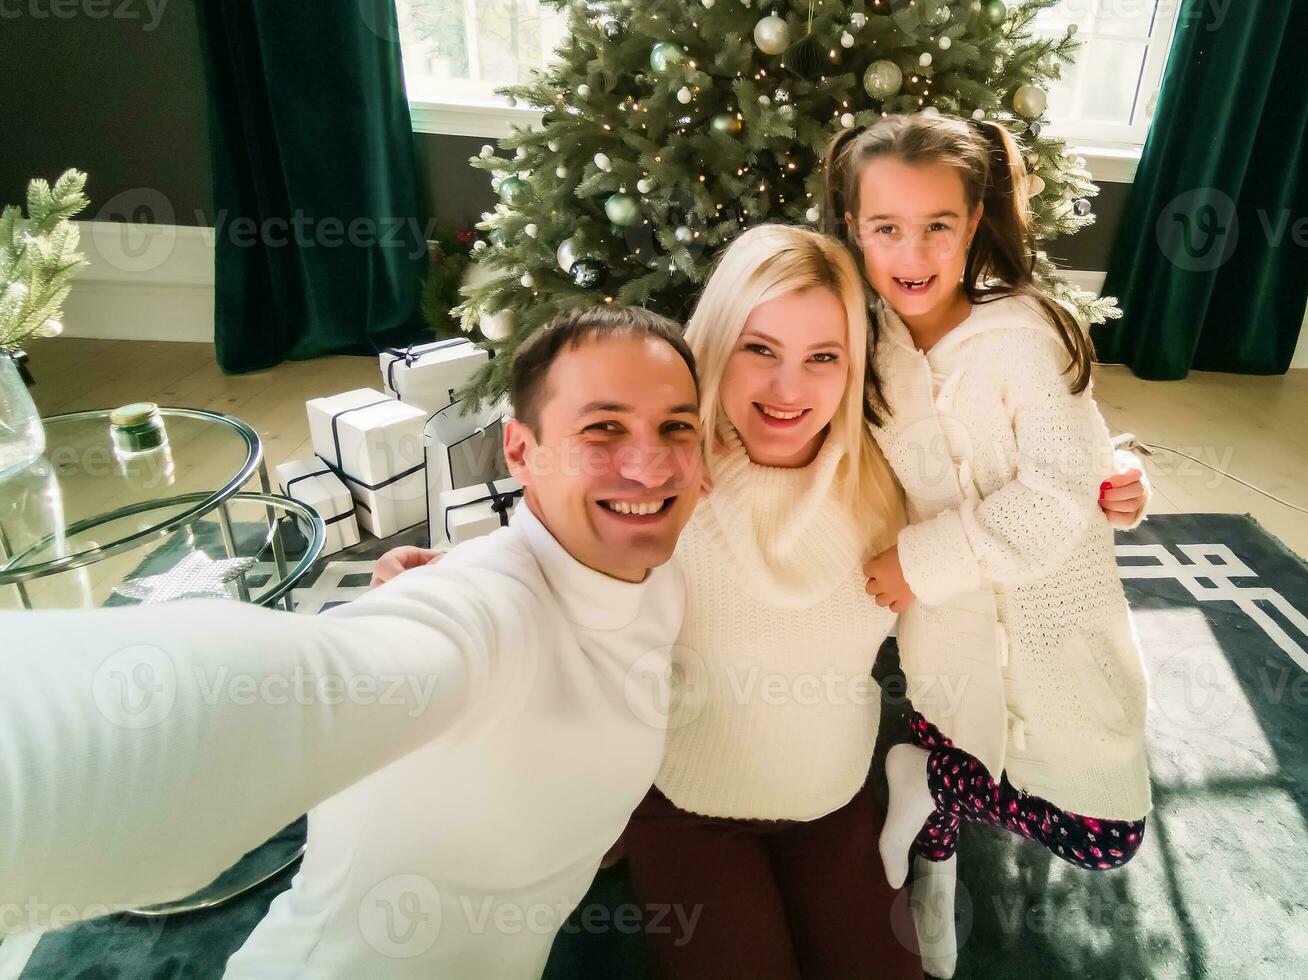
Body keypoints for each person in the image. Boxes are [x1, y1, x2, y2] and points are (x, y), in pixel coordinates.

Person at [374, 226, 1148, 980]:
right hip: (687, 803)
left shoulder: (892, 473)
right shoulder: (671, 475)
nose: (788, 390)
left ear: (855, 368)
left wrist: (1109, 476)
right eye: (760, 350)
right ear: (716, 347)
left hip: (831, 796)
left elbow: (1001, 466)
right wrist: (449, 574)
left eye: (823, 358)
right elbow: (553, 552)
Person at [0, 306, 705, 978]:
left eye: (676, 427)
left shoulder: (657, 574)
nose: (650, 465)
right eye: (603, 428)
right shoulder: (482, 613)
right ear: (520, 451)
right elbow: (284, 692)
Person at [828, 114, 1152, 978]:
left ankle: (927, 782)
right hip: (951, 636)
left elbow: (1056, 478)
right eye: (886, 227)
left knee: (1104, 834)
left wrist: (1113, 473)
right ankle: (932, 871)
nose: (913, 251)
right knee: (957, 744)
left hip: (1060, 628)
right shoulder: (868, 354)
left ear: (973, 223)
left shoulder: (1023, 334)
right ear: (854, 230)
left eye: (937, 224)